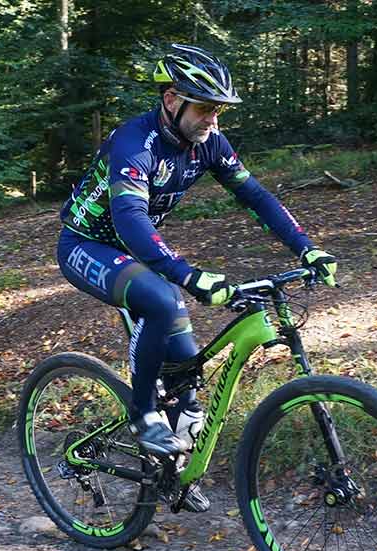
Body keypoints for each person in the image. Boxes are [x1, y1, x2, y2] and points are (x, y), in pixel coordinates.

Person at [55, 44, 337, 512]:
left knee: (187, 379)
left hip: (140, 253)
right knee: (161, 300)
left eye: (219, 110)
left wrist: (307, 246)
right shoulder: (135, 143)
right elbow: (129, 219)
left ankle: (172, 473)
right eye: (205, 108)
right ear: (171, 100)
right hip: (88, 245)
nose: (213, 119)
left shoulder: (210, 143)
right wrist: (188, 275)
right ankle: (143, 414)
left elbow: (257, 197)